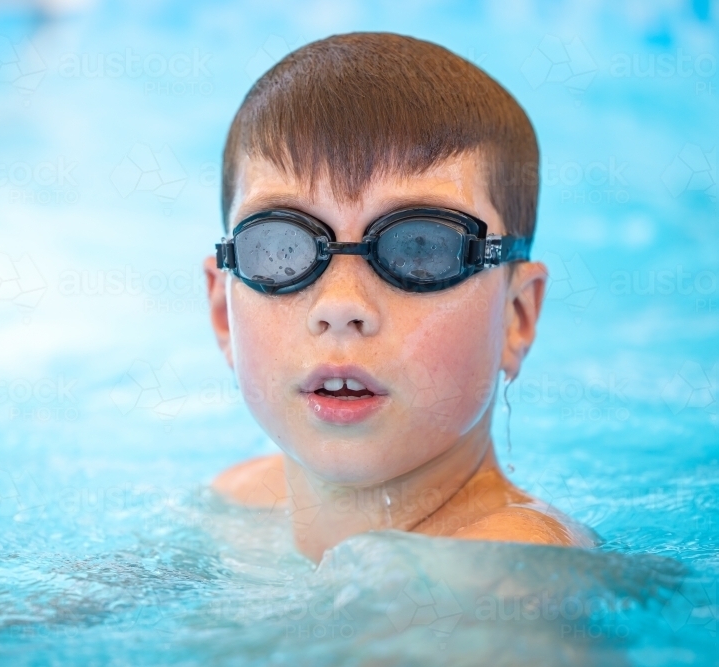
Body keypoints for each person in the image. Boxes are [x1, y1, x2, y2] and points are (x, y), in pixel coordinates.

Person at [204, 32, 594, 562]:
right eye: (281, 247)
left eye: (421, 248)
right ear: (224, 311)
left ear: (516, 316)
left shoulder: (511, 566)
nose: (340, 306)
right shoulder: (236, 504)